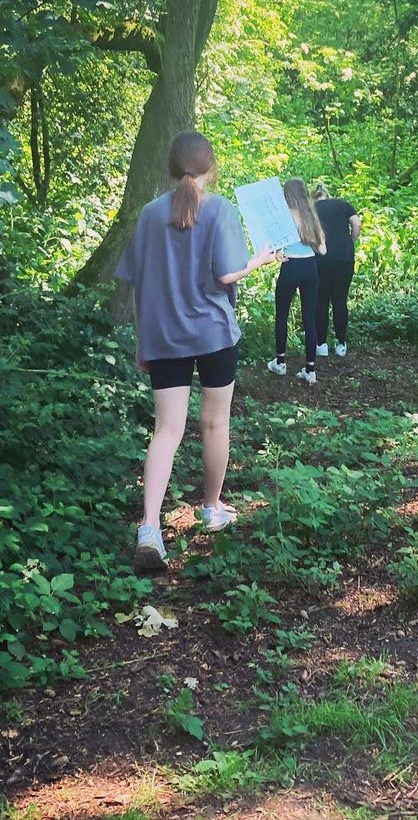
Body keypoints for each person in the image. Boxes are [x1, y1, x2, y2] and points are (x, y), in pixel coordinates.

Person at [115, 131, 279, 569]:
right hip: (213, 334)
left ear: (172, 167)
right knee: (214, 423)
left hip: (165, 337)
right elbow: (227, 275)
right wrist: (260, 261)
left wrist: (142, 338)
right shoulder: (220, 209)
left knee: (166, 431)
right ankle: (212, 507)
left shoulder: (149, 214)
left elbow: (135, 282)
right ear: (211, 167)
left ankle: (150, 527)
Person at [268, 178, 326, 385]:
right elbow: (323, 250)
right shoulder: (311, 216)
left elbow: (275, 247)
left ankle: (280, 362)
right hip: (310, 267)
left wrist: (278, 255)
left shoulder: (284, 217)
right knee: (309, 317)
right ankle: (310, 370)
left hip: (291, 267)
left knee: (282, 314)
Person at [312, 183, 361, 359]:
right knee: (340, 301)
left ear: (314, 197)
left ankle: (321, 345)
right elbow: (357, 224)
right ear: (328, 194)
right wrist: (350, 242)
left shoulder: (311, 210)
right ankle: (341, 344)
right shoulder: (343, 204)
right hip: (344, 258)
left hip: (321, 259)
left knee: (321, 301)